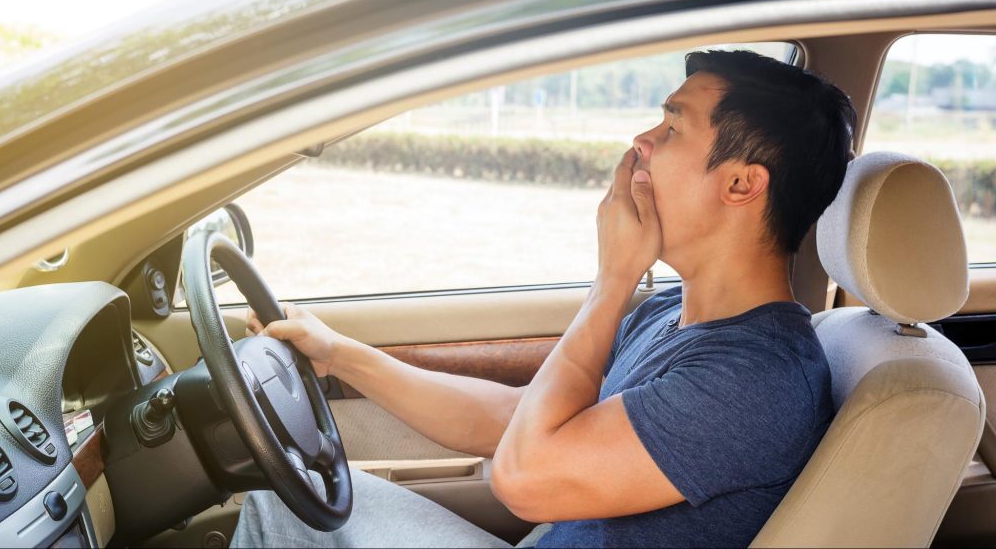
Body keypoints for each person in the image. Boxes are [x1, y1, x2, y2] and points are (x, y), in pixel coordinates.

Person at [231, 49, 856, 548]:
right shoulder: (674, 313)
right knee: (293, 495)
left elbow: (525, 477)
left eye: (671, 127)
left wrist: (612, 280)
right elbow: (516, 422)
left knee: (281, 509)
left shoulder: (754, 380)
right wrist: (341, 356)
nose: (641, 140)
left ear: (742, 183)